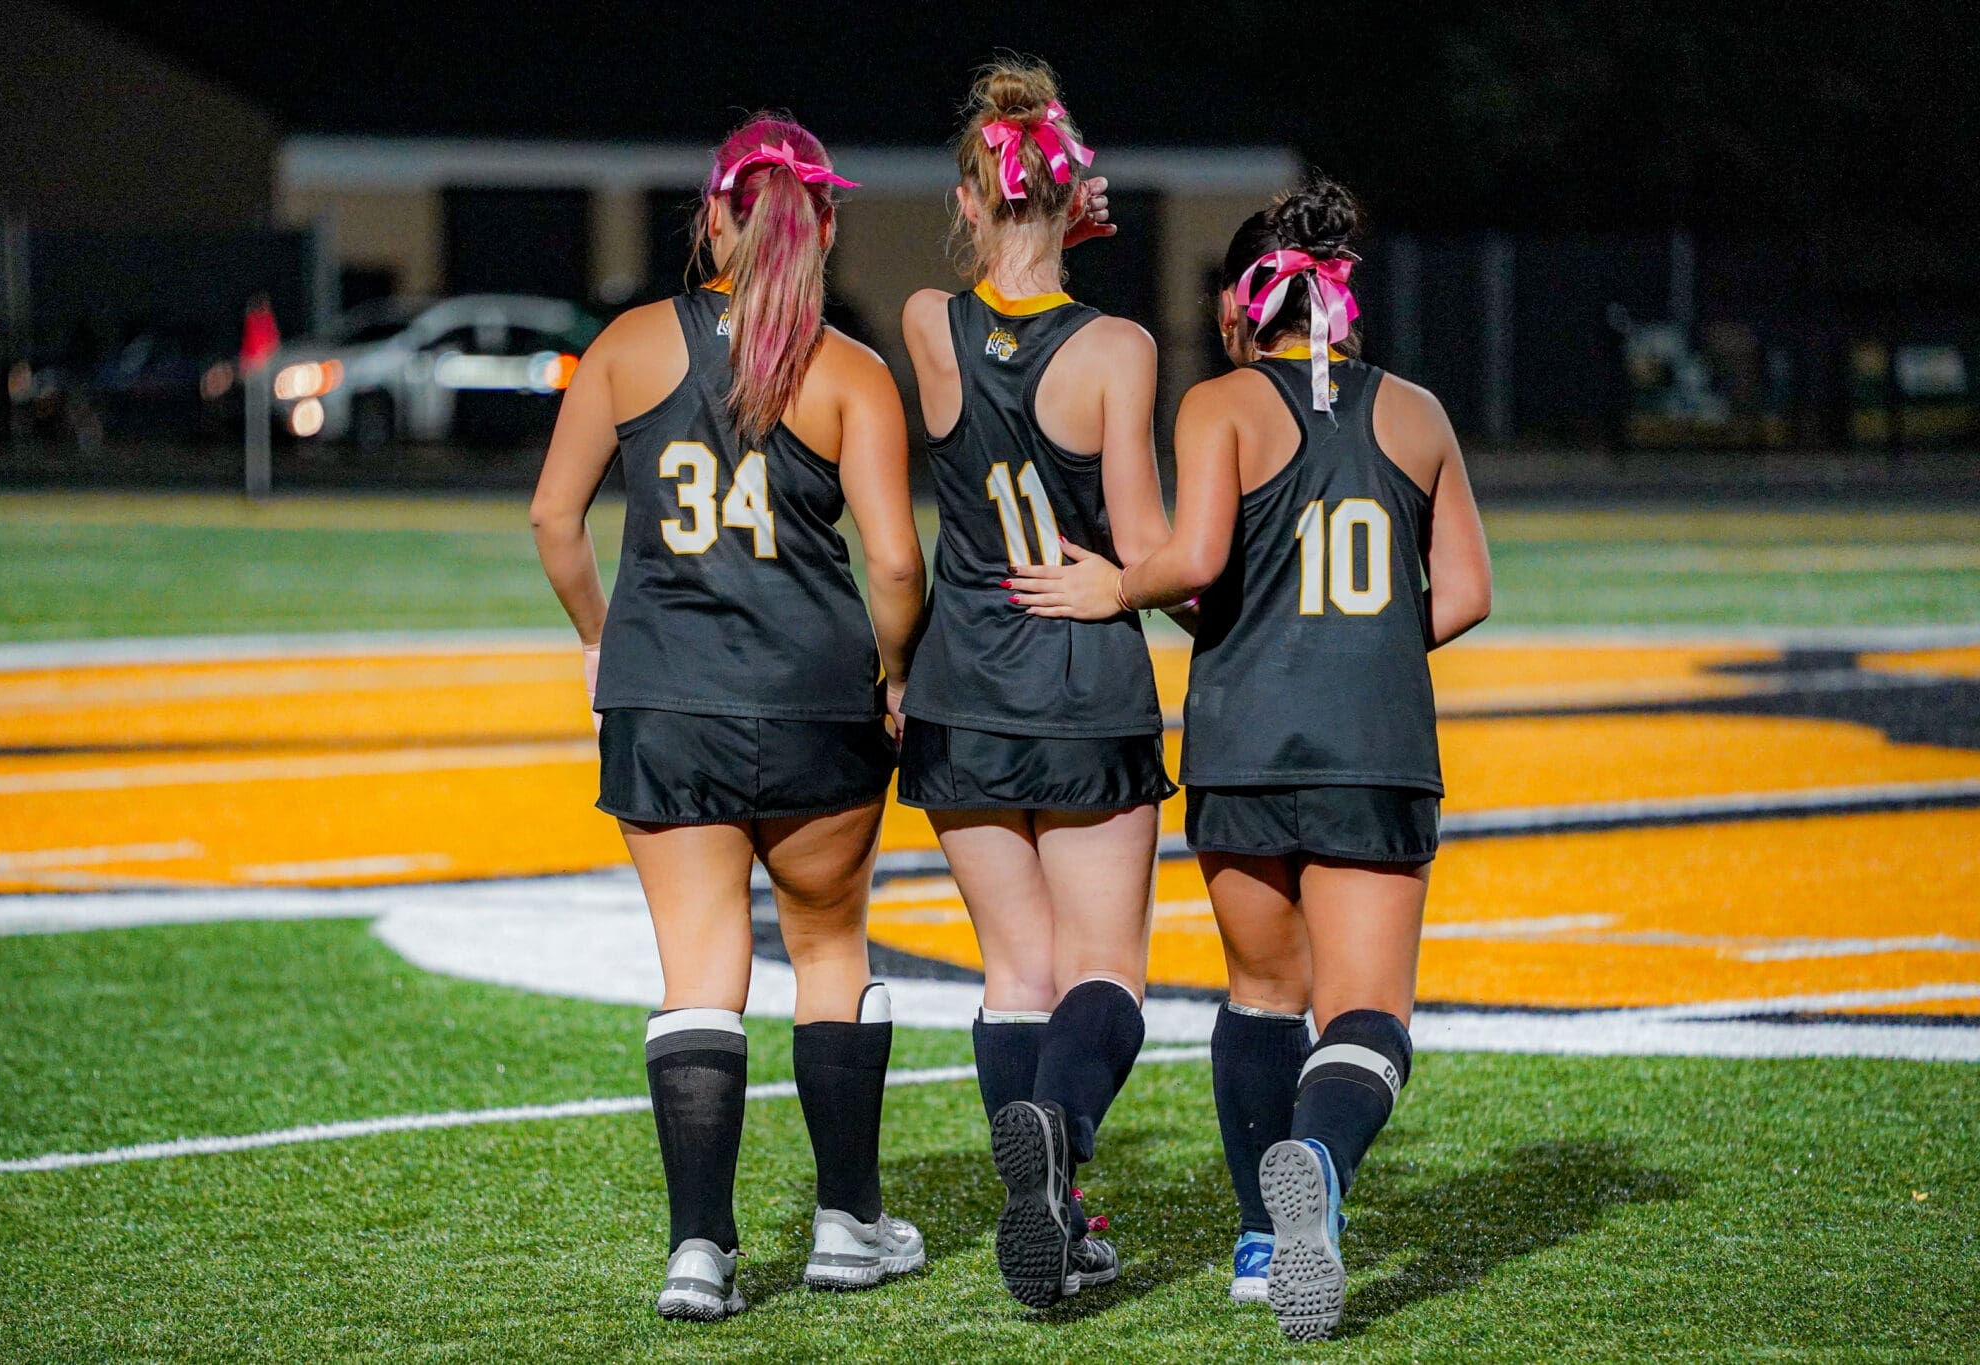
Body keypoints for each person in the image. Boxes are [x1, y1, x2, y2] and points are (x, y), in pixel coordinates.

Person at [1005, 178, 1492, 1340]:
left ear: (1240, 306)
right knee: (1365, 1011)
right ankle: (1315, 1164)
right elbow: (1467, 592)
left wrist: (1116, 586)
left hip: (1241, 741)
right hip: (1372, 746)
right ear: (1344, 303)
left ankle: (1261, 1242)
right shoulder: (1417, 413)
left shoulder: (1218, 404)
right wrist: (1364, 646)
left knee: (1260, 994)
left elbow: (1197, 562)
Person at [530, 115, 929, 1322]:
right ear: (822, 228)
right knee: (829, 951)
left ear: (710, 216)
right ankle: (846, 1224)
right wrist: (894, 673)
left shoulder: (627, 345)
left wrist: (599, 637)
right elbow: (895, 563)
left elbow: (554, 522)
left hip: (665, 698)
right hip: (814, 700)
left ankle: (699, 1251)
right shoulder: (849, 369)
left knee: (699, 971)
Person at [897, 58, 1171, 1308]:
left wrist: (1039, 228)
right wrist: (1122, 583)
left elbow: (995, 294)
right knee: (1105, 972)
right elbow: (1144, 547)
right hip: (1079, 685)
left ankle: (1046, 1217)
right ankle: (1056, 1146)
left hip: (958, 688)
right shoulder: (1118, 349)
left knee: (1014, 974)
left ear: (967, 199)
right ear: (1072, 196)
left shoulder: (923, 322)